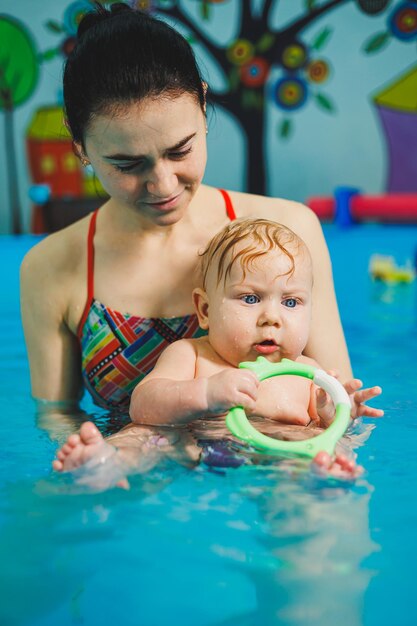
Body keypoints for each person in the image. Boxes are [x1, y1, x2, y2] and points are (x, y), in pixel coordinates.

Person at [21, 2, 352, 427]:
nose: (163, 185)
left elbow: (337, 405)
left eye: (181, 151)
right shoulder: (51, 268)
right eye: (127, 165)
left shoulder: (289, 232)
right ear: (80, 144)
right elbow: (56, 422)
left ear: (202, 102)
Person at [53, 219, 383, 485]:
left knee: (326, 445)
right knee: (140, 436)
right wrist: (206, 393)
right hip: (190, 446)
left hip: (277, 458)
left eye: (291, 302)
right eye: (251, 299)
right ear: (206, 310)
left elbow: (329, 426)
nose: (272, 317)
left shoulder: (307, 373)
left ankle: (325, 475)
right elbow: (142, 405)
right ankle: (104, 463)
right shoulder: (192, 356)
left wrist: (337, 412)